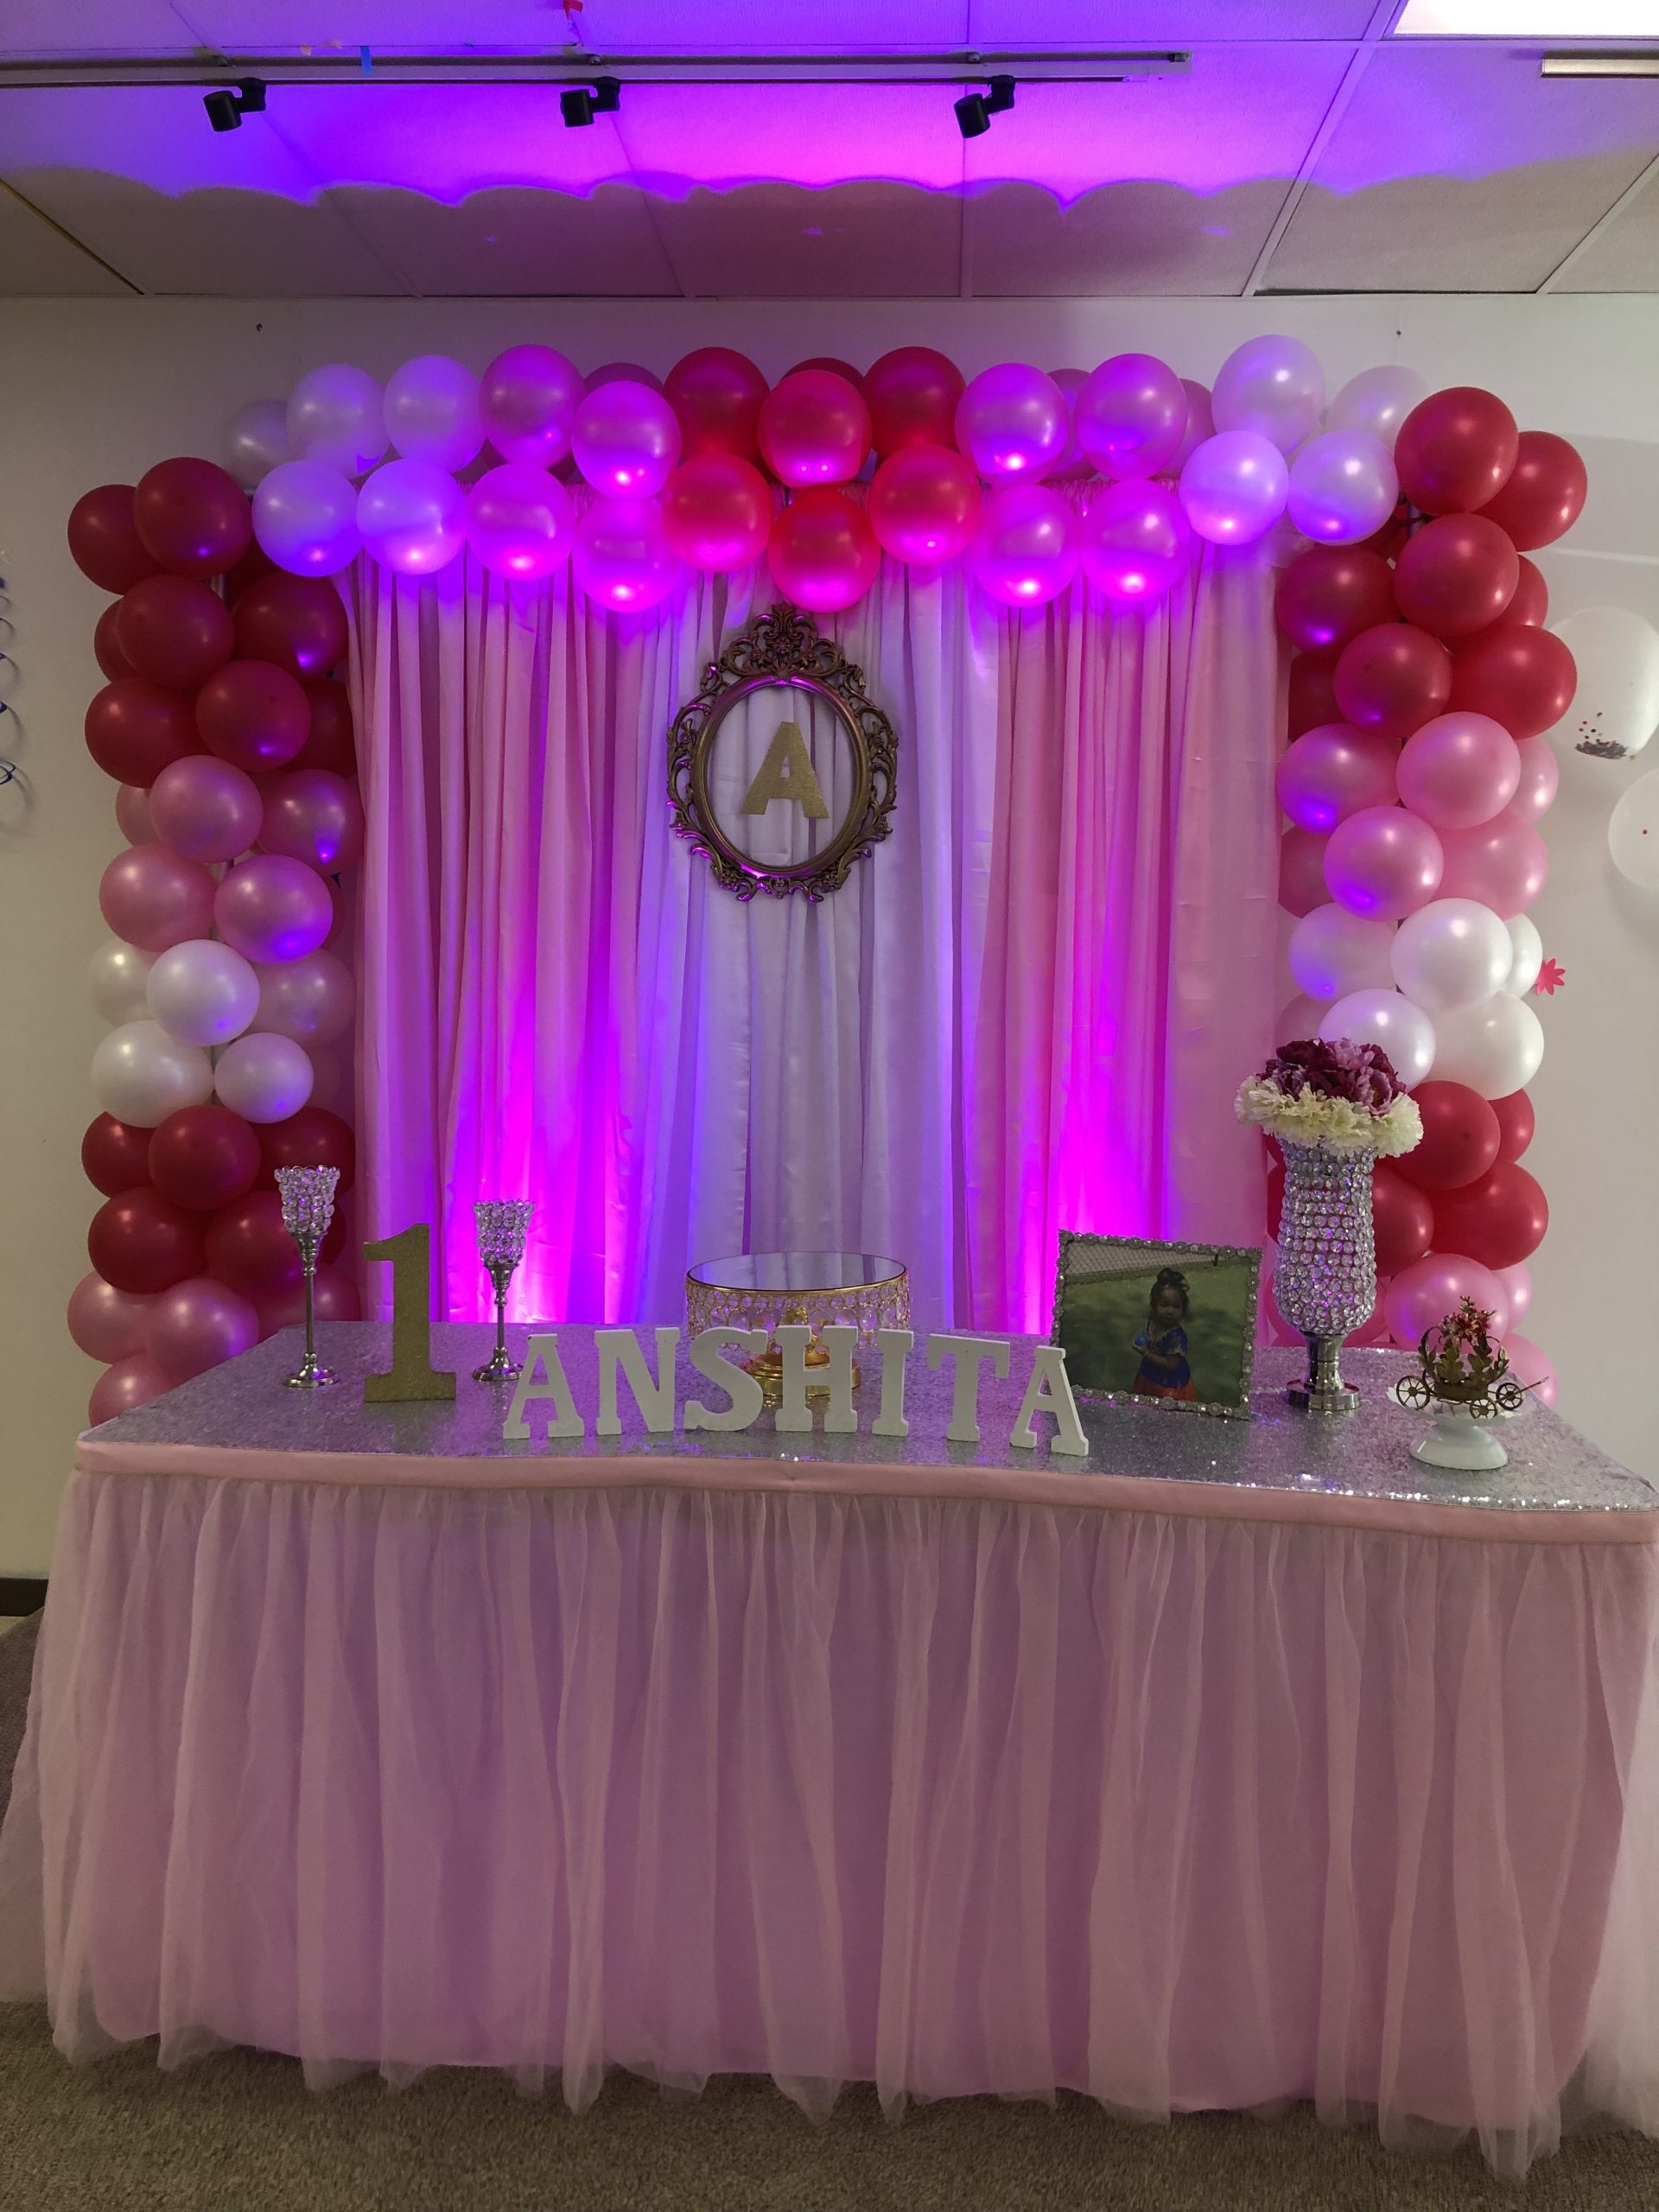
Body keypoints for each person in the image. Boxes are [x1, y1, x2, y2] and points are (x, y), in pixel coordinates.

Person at [1131, 1268, 1198, 1401]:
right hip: (1149, 1375)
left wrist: (1145, 1353)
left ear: (1183, 1310)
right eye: (1164, 1305)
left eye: (1176, 1306)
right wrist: (1144, 1339)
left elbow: (1170, 1365)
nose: (1170, 1311)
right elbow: (1150, 1337)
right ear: (1154, 1306)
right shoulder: (1153, 1323)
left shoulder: (1177, 1338)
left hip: (1168, 1386)